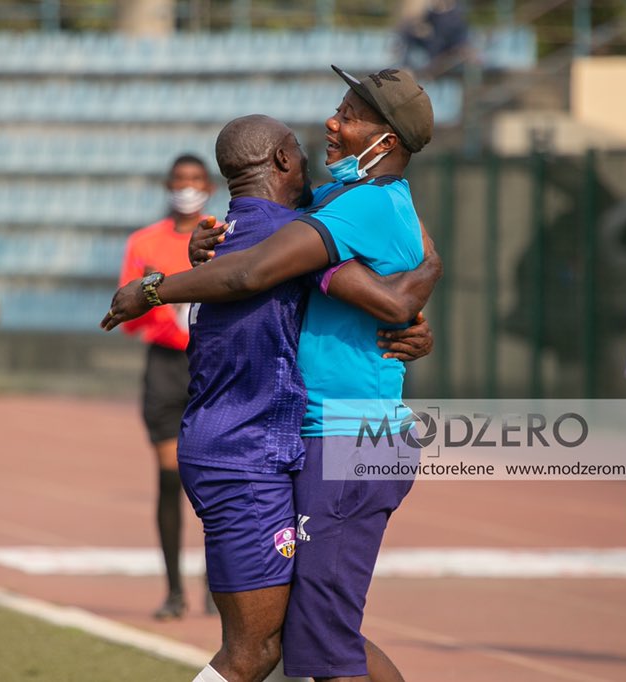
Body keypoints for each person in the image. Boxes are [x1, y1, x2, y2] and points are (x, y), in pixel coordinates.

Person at [103, 65, 437, 681]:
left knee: (318, 641)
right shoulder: (340, 200)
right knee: (313, 634)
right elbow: (273, 239)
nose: (331, 123)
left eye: (349, 115)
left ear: (386, 140)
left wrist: (151, 289)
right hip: (322, 436)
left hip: (349, 438)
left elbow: (253, 272)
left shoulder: (362, 205)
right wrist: (208, 243)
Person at [117, 153, 215, 620]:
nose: (187, 187)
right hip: (165, 367)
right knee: (170, 476)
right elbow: (128, 315)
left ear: (209, 188)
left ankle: (219, 586)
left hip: (213, 364)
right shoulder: (143, 242)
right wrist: (163, 311)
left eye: (195, 179)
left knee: (217, 479)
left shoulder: (222, 235)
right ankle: (175, 592)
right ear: (168, 185)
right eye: (180, 179)